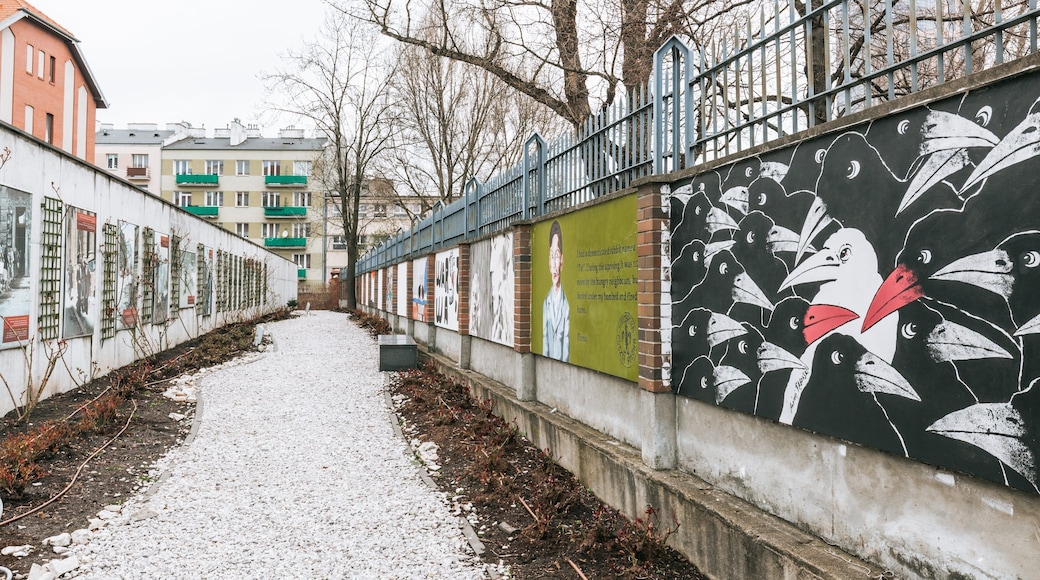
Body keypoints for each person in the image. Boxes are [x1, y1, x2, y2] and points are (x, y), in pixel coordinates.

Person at [542, 220, 569, 361]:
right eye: (552, 256)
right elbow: (544, 343)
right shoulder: (546, 302)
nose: (554, 263)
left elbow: (566, 351)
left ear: (562, 261)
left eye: (557, 255)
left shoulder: (566, 306)